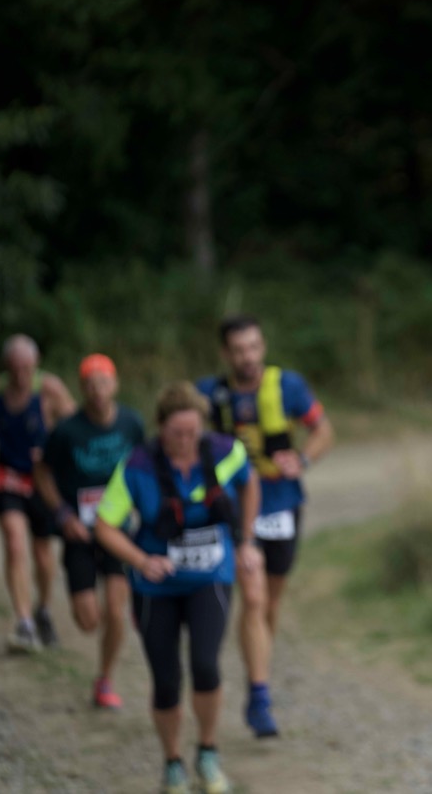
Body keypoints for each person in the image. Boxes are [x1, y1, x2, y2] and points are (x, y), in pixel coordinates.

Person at [94, 381, 257, 794]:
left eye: (192, 432)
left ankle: (208, 753)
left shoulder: (225, 451)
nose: (185, 440)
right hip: (156, 588)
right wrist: (141, 561)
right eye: (176, 433)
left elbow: (250, 482)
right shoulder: (137, 466)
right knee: (166, 680)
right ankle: (172, 763)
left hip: (211, 577)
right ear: (161, 427)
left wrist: (246, 540)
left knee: (206, 664)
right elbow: (104, 525)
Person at [196, 314, 334, 738]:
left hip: (281, 504)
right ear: (226, 354)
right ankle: (259, 695)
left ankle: (259, 672)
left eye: (254, 347)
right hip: (234, 508)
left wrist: (303, 458)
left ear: (263, 347)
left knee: (269, 603)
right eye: (239, 350)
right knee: (253, 598)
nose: (248, 357)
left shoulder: (288, 386)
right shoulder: (208, 394)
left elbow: (323, 430)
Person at [34, 354, 146, 708]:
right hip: (79, 533)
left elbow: (145, 465)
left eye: (104, 382)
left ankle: (105, 680)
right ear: (81, 389)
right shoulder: (67, 430)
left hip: (117, 530)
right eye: (90, 384)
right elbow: (42, 473)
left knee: (115, 610)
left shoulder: (131, 423)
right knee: (88, 621)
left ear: (115, 384)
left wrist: (144, 506)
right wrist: (62, 513)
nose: (98, 391)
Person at [0, 334, 76, 652]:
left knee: (42, 553)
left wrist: (54, 455)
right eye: (14, 369)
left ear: (36, 364)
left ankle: (43, 609)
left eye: (27, 368)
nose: (21, 375)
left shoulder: (50, 389)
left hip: (42, 481)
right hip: (8, 477)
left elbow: (75, 429)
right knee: (15, 543)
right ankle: (24, 623)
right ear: (5, 367)